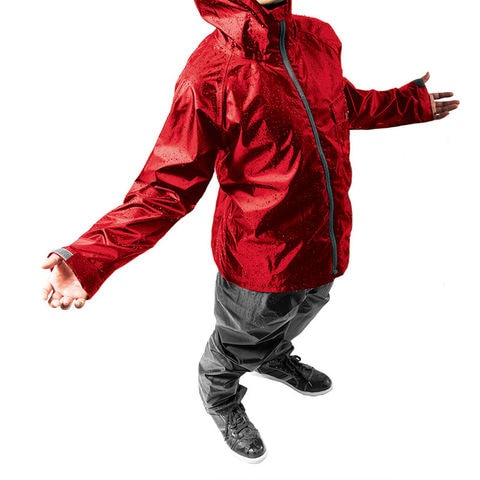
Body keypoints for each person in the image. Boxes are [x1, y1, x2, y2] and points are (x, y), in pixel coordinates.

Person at [41, 0, 459, 463]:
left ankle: (270, 356)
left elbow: (341, 103)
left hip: (326, 238)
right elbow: (166, 186)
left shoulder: (317, 37)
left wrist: (410, 103)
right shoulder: (210, 74)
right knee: (240, 339)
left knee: (311, 303)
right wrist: (90, 258)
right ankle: (219, 393)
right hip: (259, 260)